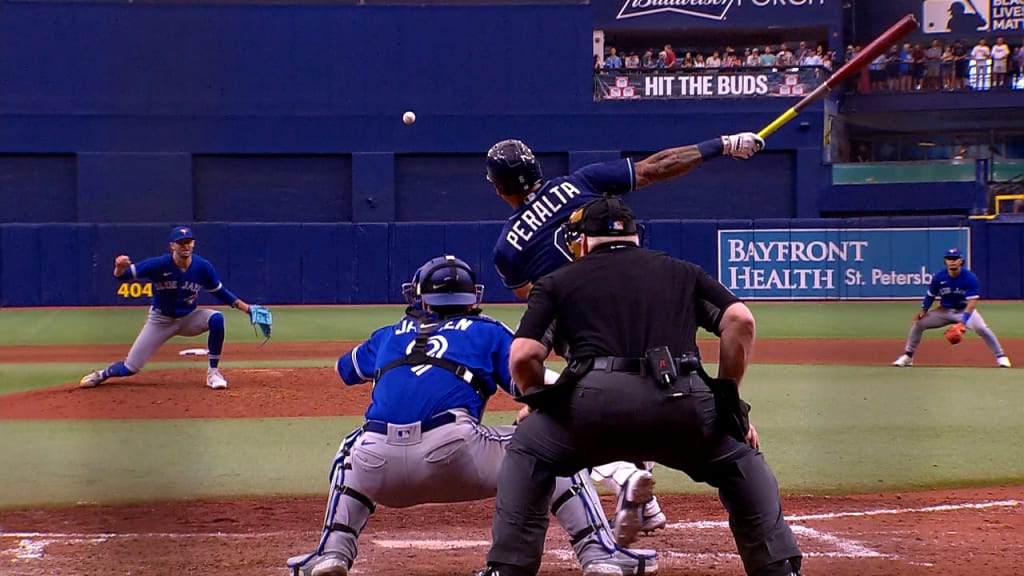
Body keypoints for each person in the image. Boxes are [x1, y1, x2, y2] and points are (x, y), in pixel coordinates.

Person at [476, 196, 803, 576]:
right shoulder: (683, 272)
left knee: (529, 450)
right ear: (636, 237)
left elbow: (522, 357)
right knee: (739, 457)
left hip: (591, 407)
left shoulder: (557, 282)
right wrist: (728, 402)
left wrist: (539, 402)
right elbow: (741, 322)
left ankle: (508, 568)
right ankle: (778, 568)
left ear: (581, 241)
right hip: (682, 401)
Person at [287, 255, 655, 576]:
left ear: (420, 298)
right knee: (553, 446)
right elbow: (531, 382)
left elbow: (344, 370)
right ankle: (599, 554)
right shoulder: (486, 330)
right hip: (455, 454)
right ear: (471, 299)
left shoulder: (388, 334)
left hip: (376, 464)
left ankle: (331, 552)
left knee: (350, 447)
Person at [485, 131, 764, 542]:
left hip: (586, 339)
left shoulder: (507, 249)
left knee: (568, 415)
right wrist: (720, 145)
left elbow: (538, 304)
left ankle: (624, 478)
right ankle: (651, 504)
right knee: (654, 379)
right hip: (647, 310)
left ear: (498, 188)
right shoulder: (580, 182)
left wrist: (536, 399)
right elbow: (658, 166)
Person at [79, 226, 271, 390]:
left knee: (217, 319)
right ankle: (102, 374)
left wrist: (248, 309)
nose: (185, 246)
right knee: (131, 368)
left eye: (189, 241)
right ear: (172, 245)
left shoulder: (203, 267)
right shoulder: (159, 264)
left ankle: (213, 373)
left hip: (189, 318)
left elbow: (221, 292)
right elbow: (122, 276)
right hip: (160, 320)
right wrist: (119, 267)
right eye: (181, 242)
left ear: (194, 243)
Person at [893, 248, 1011, 368]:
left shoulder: (970, 278)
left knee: (982, 328)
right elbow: (930, 295)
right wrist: (923, 311)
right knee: (918, 324)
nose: (952, 261)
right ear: (945, 261)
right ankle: (908, 356)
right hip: (944, 311)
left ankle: (1001, 356)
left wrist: (963, 323)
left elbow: (972, 303)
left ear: (961, 261)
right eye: (949, 259)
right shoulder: (939, 277)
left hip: (964, 311)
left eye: (955, 259)